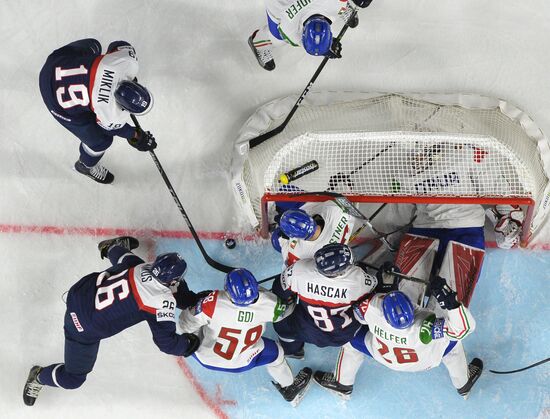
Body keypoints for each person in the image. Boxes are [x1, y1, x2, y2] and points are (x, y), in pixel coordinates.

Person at [23, 236, 200, 407]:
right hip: (81, 327)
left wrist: (189, 299)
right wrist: (189, 344)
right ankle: (38, 376)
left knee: (128, 263)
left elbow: (174, 291)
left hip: (80, 292)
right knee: (73, 379)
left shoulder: (143, 267)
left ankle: (111, 246)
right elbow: (167, 343)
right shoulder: (160, 303)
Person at [313, 278, 483, 400]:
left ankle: (342, 384)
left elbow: (360, 312)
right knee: (453, 345)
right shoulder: (425, 326)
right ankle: (463, 385)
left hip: (383, 354)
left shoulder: (373, 309)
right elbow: (465, 328)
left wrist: (384, 287)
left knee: (349, 340)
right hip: (424, 361)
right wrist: (452, 304)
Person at [179, 268, 313, 407]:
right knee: (277, 354)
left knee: (193, 326)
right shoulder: (270, 304)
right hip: (243, 361)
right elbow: (286, 310)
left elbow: (184, 323)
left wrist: (198, 306)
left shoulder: (212, 303)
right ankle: (289, 389)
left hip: (205, 357)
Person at [39, 38, 157, 184]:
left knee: (94, 46)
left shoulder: (127, 62)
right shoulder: (111, 113)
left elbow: (117, 45)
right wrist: (136, 137)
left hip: (54, 64)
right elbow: (112, 129)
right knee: (100, 142)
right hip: (55, 101)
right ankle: (85, 166)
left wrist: (115, 68)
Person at [271, 243, 379, 359]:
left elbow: (278, 290)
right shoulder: (359, 279)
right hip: (344, 335)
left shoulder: (300, 270)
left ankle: (292, 350)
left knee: (282, 324)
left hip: (307, 330)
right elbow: (375, 291)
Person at [248, 0, 373, 71]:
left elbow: (302, 40)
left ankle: (344, 8)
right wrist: (323, 47)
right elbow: (298, 39)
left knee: (340, 4)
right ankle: (259, 41)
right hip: (280, 4)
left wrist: (325, 46)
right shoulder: (288, 26)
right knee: (277, 39)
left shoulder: (334, 2)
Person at [271, 201, 359, 266]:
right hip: (347, 222)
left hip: (342, 242)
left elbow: (289, 264)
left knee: (275, 238)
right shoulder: (334, 208)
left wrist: (282, 238)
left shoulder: (297, 253)